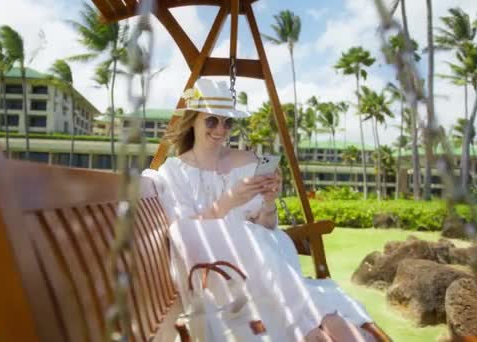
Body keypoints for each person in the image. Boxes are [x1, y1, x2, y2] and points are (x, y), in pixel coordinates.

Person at [143, 78, 376, 341]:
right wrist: (228, 202)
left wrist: (268, 201)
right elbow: (185, 233)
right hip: (221, 269)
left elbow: (265, 226)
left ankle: (321, 324)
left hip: (263, 254)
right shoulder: (174, 171)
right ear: (193, 120)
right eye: (212, 120)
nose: (221, 129)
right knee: (310, 313)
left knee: (316, 313)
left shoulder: (246, 161)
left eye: (227, 122)